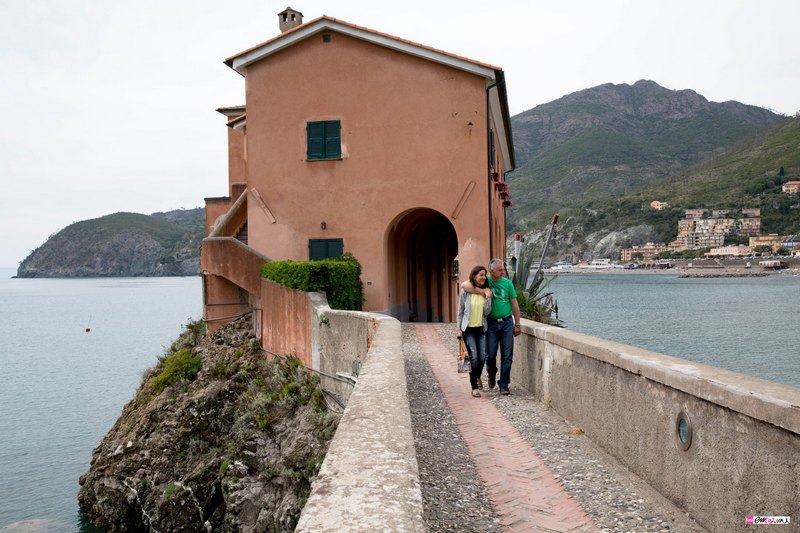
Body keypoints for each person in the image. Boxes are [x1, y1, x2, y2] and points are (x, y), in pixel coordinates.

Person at [462, 258, 521, 395]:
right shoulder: (485, 281)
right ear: (492, 271)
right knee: (490, 355)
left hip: (506, 322)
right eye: (500, 270)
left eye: (503, 269)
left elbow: (514, 303)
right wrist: (484, 293)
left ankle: (504, 384)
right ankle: (492, 373)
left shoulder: (507, 284)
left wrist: (517, 324)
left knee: (507, 355)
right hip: (491, 323)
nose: (503, 272)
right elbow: (465, 285)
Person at [456, 265, 493, 397]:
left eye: (485, 275)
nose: (484, 277)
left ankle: (476, 376)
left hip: (481, 329)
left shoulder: (487, 291)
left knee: (482, 357)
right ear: (474, 276)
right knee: (474, 357)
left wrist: (488, 297)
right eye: (481, 275)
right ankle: (474, 387)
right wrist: (459, 329)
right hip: (468, 329)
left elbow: (487, 312)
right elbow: (460, 310)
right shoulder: (466, 291)